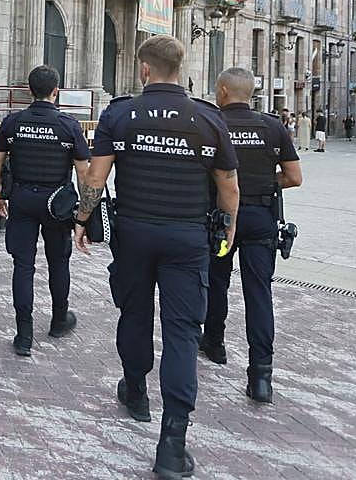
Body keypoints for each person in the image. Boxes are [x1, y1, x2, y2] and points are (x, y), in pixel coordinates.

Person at [73, 35, 239, 479]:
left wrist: (82, 217)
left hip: (134, 232)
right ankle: (172, 441)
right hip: (188, 239)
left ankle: (135, 390)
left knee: (134, 313)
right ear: (180, 69)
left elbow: (95, 175)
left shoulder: (120, 113)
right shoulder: (208, 118)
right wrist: (228, 227)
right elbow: (228, 183)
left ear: (144, 69)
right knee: (183, 332)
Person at [201, 68, 303, 404]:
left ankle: (214, 342)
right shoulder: (273, 126)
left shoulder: (213, 123)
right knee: (258, 292)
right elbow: (294, 177)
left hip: (223, 217)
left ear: (226, 90)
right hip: (261, 217)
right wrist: (263, 182)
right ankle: (261, 375)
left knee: (216, 279)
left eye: (218, 88)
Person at [0, 65, 90, 356]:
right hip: (57, 204)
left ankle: (24, 335)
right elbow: (83, 173)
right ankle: (59, 320)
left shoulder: (12, 122)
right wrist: (84, 213)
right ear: (55, 91)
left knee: (23, 266)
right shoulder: (69, 125)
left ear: (30, 90)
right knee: (59, 262)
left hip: (21, 199)